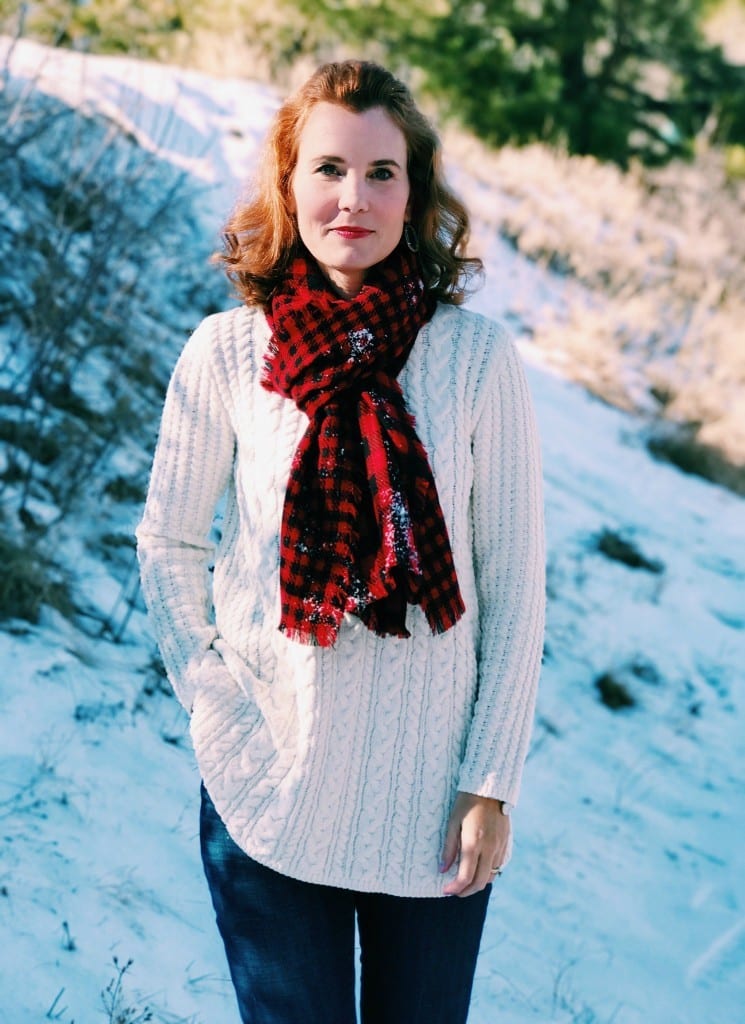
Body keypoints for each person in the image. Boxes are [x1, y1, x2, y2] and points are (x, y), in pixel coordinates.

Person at [136, 59, 545, 1024]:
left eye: (380, 173)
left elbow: (514, 583)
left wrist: (489, 782)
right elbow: (167, 545)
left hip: (432, 807)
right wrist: (213, 707)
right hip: (265, 792)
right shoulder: (226, 353)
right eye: (327, 169)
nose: (351, 198)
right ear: (287, 185)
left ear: (415, 190)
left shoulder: (475, 360)